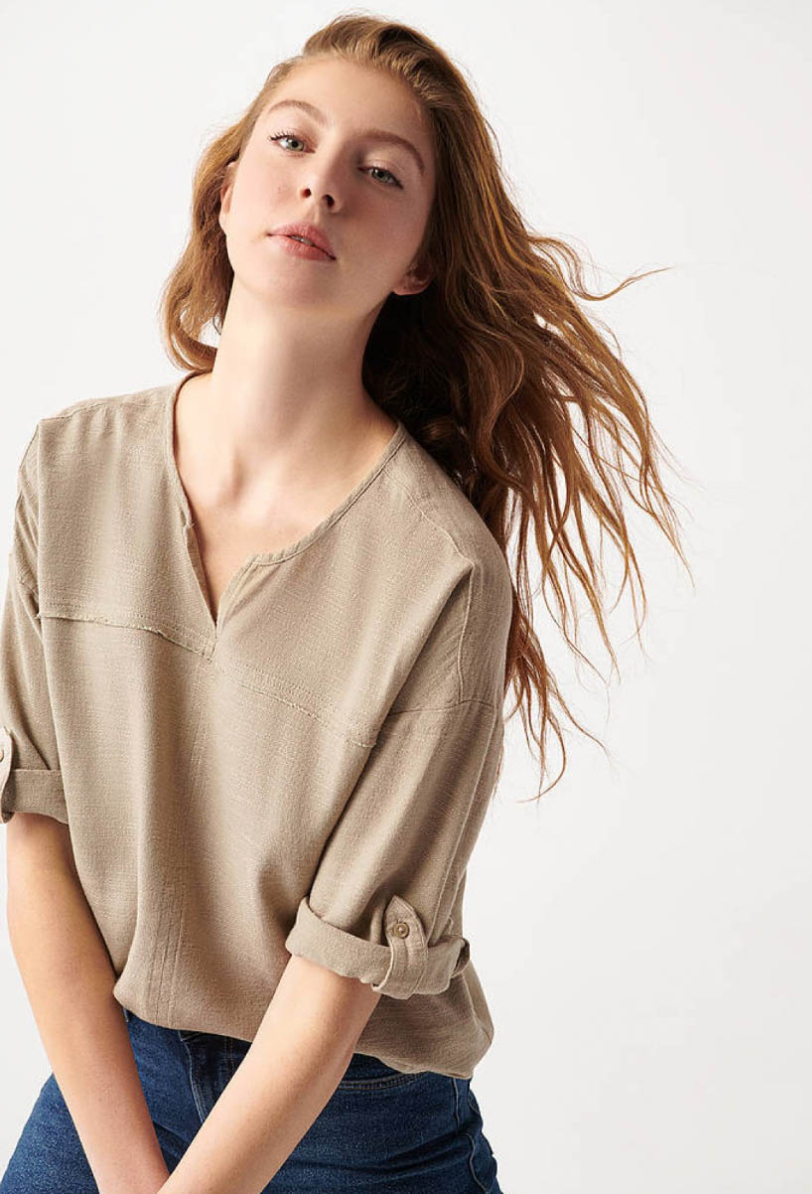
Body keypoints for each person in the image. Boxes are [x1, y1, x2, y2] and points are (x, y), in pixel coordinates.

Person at [0, 15, 691, 1194]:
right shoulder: (70, 470)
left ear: (417, 262)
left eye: (382, 173)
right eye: (292, 141)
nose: (322, 183)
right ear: (228, 193)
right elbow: (33, 827)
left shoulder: (441, 572)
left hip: (356, 1122)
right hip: (119, 1081)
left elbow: (334, 982)